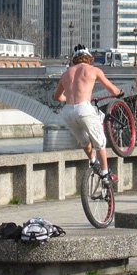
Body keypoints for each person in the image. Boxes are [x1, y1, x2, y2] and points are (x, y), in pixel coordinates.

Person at [53, 44, 122, 183]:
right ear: (89, 58)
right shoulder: (93, 70)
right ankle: (105, 174)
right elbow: (112, 90)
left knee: (84, 141)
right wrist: (119, 92)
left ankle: (93, 161)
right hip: (84, 109)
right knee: (100, 142)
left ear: (74, 59)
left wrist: (70, 100)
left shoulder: (66, 74)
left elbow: (57, 97)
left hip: (68, 112)